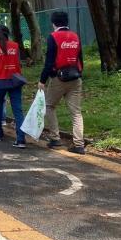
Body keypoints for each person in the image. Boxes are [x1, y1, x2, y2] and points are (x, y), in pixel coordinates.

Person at [39, 11, 85, 154]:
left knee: (49, 106)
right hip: (76, 78)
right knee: (76, 112)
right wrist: (79, 73)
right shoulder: (75, 36)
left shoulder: (53, 37)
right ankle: (79, 145)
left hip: (58, 78)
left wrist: (42, 80)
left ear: (54, 23)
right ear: (66, 22)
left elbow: (49, 61)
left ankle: (55, 139)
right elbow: (80, 58)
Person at [0, 26, 27, 147]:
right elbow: (19, 62)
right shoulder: (15, 46)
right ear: (8, 34)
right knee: (18, 110)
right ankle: (21, 139)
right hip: (15, 81)